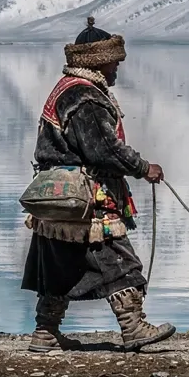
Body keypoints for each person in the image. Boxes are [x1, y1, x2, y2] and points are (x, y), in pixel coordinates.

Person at [23, 18, 175, 352]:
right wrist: (143, 167)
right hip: (87, 197)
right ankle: (133, 328)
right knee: (120, 261)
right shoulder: (85, 98)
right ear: (99, 61)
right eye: (115, 62)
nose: (118, 68)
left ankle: (45, 334)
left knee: (58, 264)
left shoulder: (65, 90)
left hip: (55, 196)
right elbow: (104, 151)